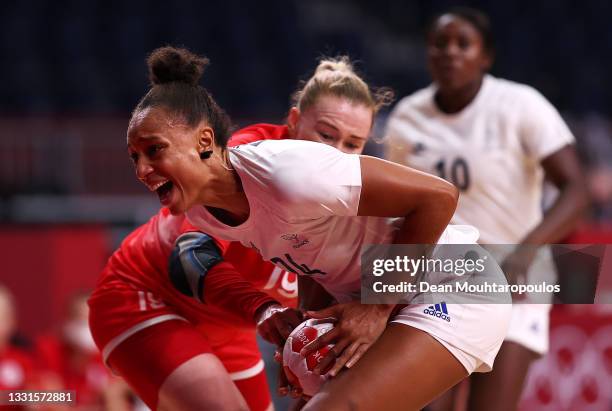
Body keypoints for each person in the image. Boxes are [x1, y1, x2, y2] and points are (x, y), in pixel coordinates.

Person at [127, 45, 512, 410]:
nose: (142, 171)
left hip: (453, 287)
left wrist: (374, 308)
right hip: (378, 296)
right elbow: (309, 260)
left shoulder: (290, 173)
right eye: (136, 157)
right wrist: (303, 346)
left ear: (205, 141)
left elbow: (438, 197)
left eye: (155, 151)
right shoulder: (206, 213)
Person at [89, 55, 391, 411]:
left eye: (353, 144)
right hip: (148, 295)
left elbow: (438, 205)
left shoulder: (351, 194)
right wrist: (379, 306)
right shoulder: (250, 158)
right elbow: (190, 253)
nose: (336, 154)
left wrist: (303, 350)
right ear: (293, 122)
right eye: (326, 136)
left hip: (231, 324)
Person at [385, 7, 589, 411]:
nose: (450, 53)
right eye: (439, 44)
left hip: (516, 271)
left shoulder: (521, 104)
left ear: (486, 56)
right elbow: (394, 207)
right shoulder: (407, 116)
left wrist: (525, 253)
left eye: (464, 44)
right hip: (439, 275)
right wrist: (387, 280)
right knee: (424, 404)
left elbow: (577, 190)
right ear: (427, 53)